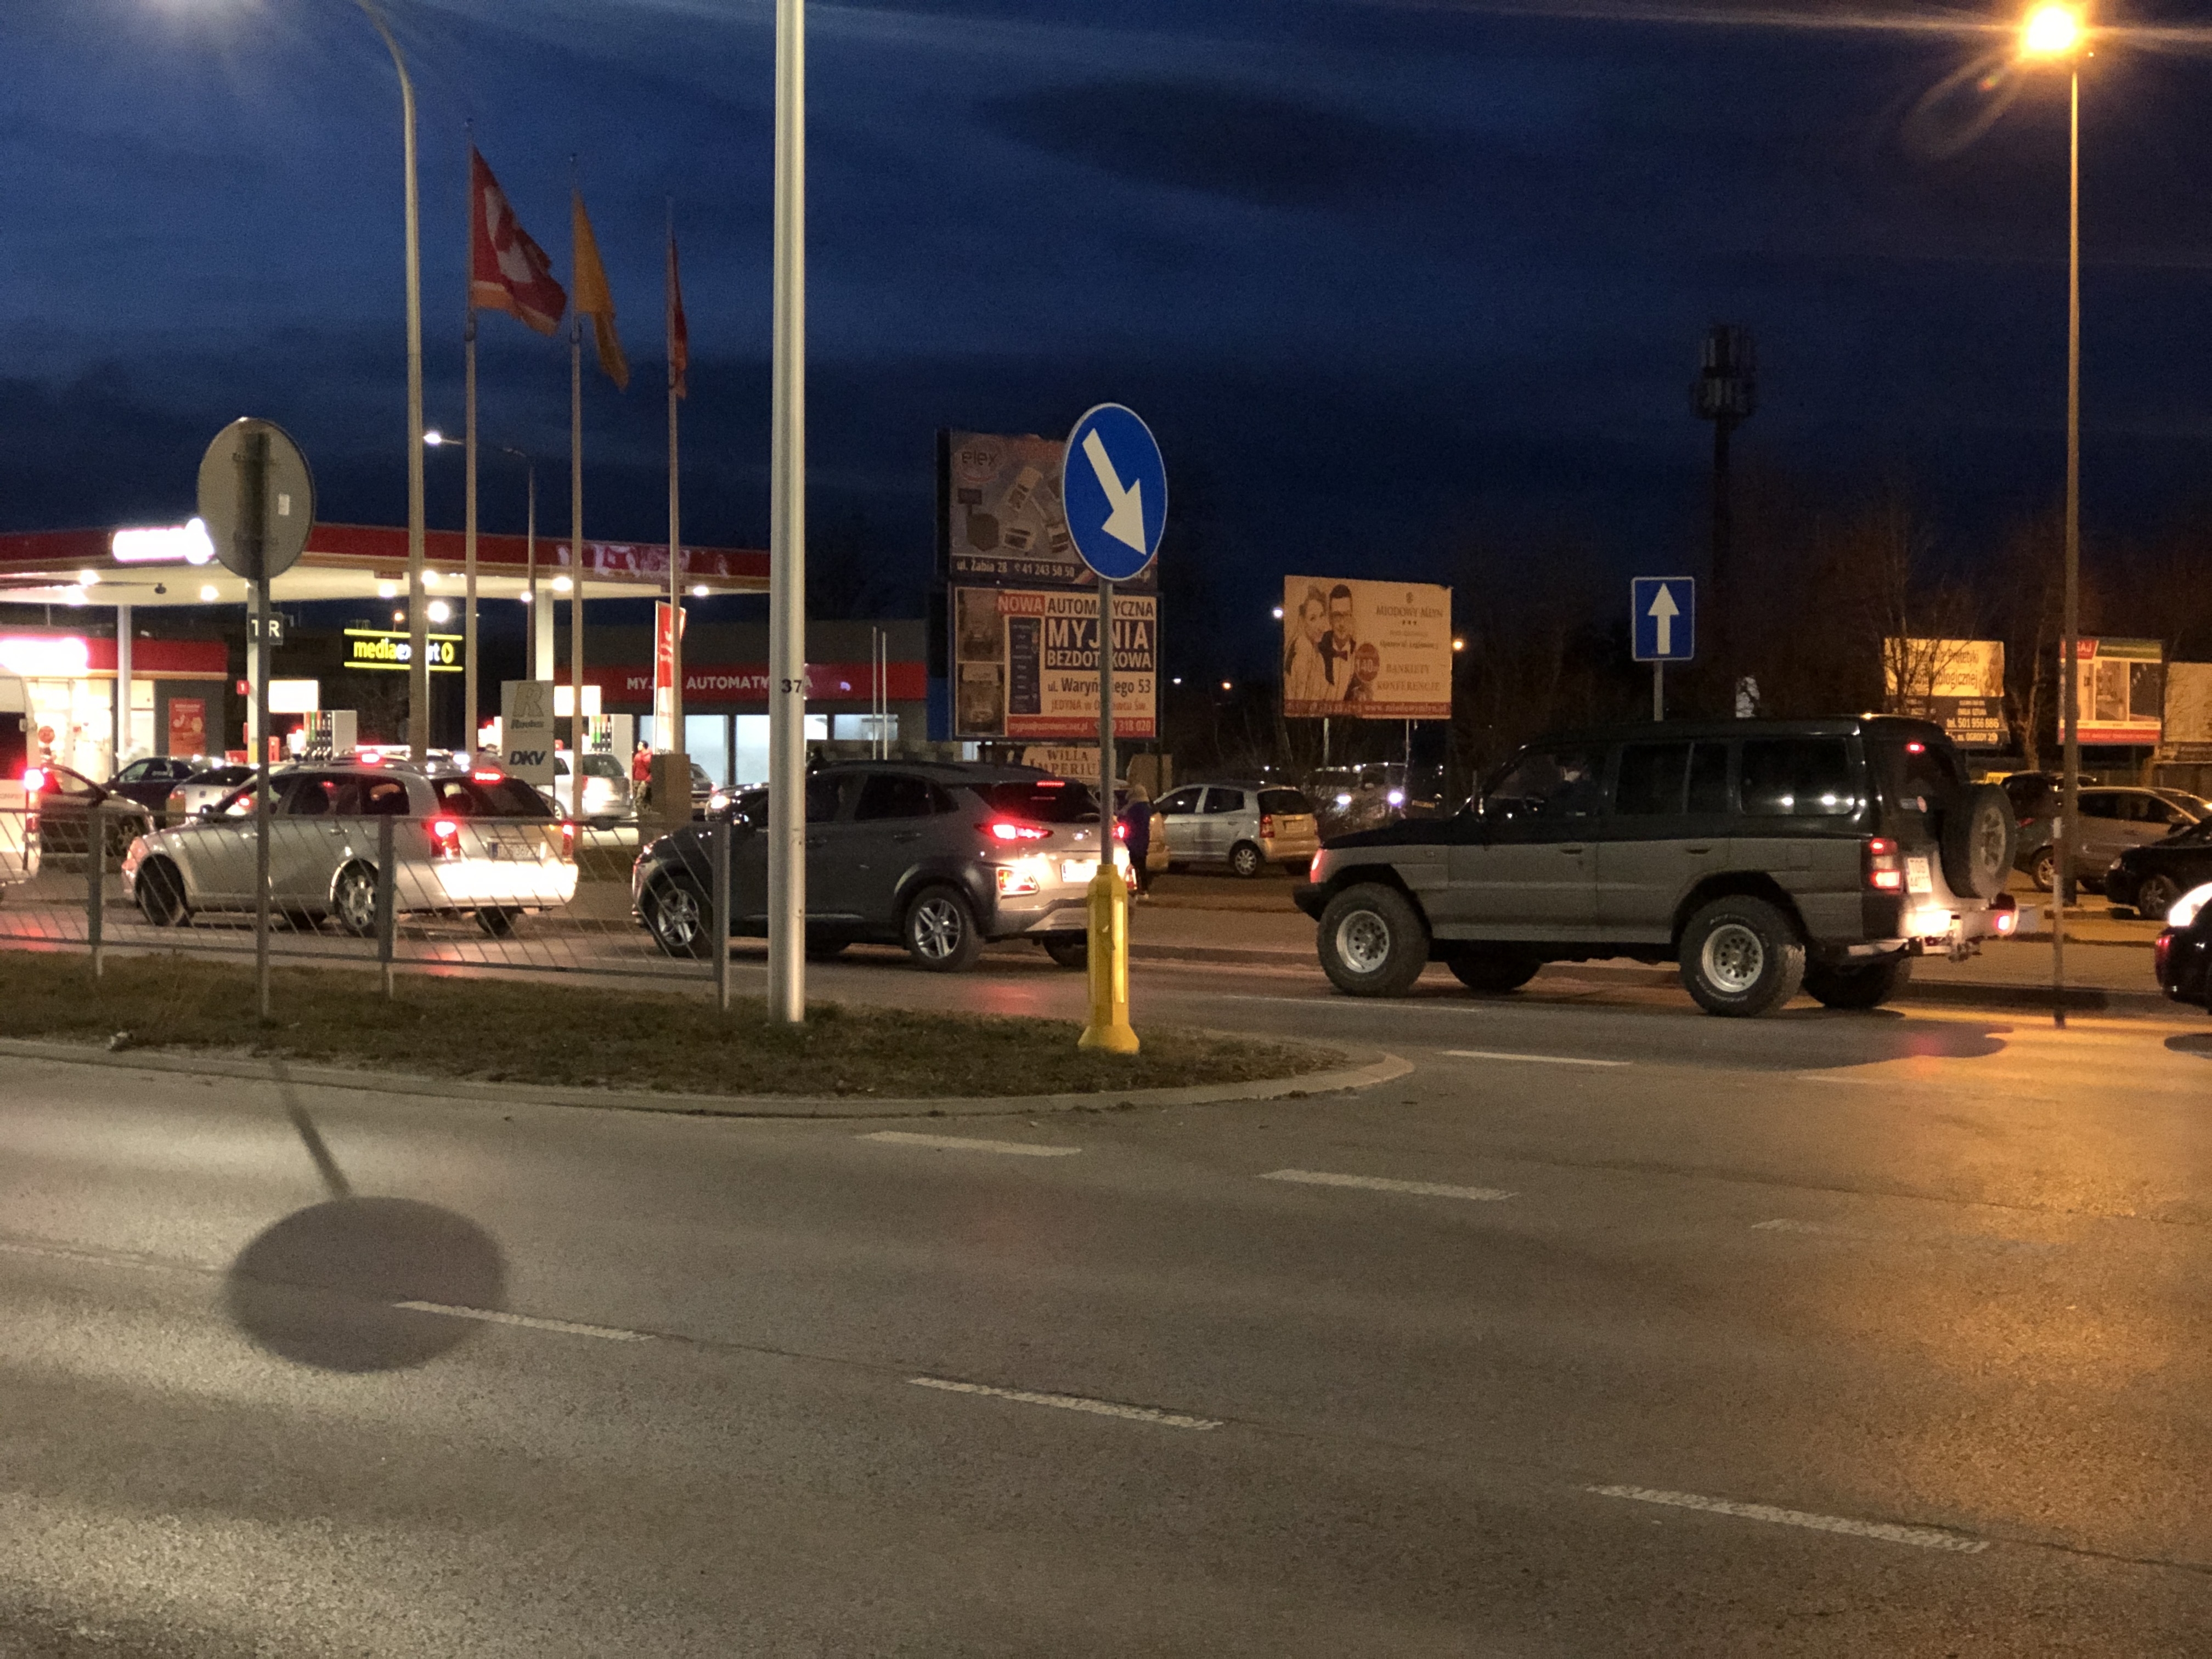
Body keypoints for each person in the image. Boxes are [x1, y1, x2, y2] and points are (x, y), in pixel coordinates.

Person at [1283, 586, 1333, 709]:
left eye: (1322, 615)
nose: (1320, 626)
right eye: (1313, 618)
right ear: (1302, 621)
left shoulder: (1317, 656)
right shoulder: (1302, 654)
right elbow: (1300, 706)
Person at [1120, 782, 1154, 897]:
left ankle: (1138, 888)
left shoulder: (1136, 807)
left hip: (1134, 840)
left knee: (1134, 864)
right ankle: (1143, 888)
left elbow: (1125, 819)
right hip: (1142, 839)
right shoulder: (1146, 807)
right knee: (1141, 864)